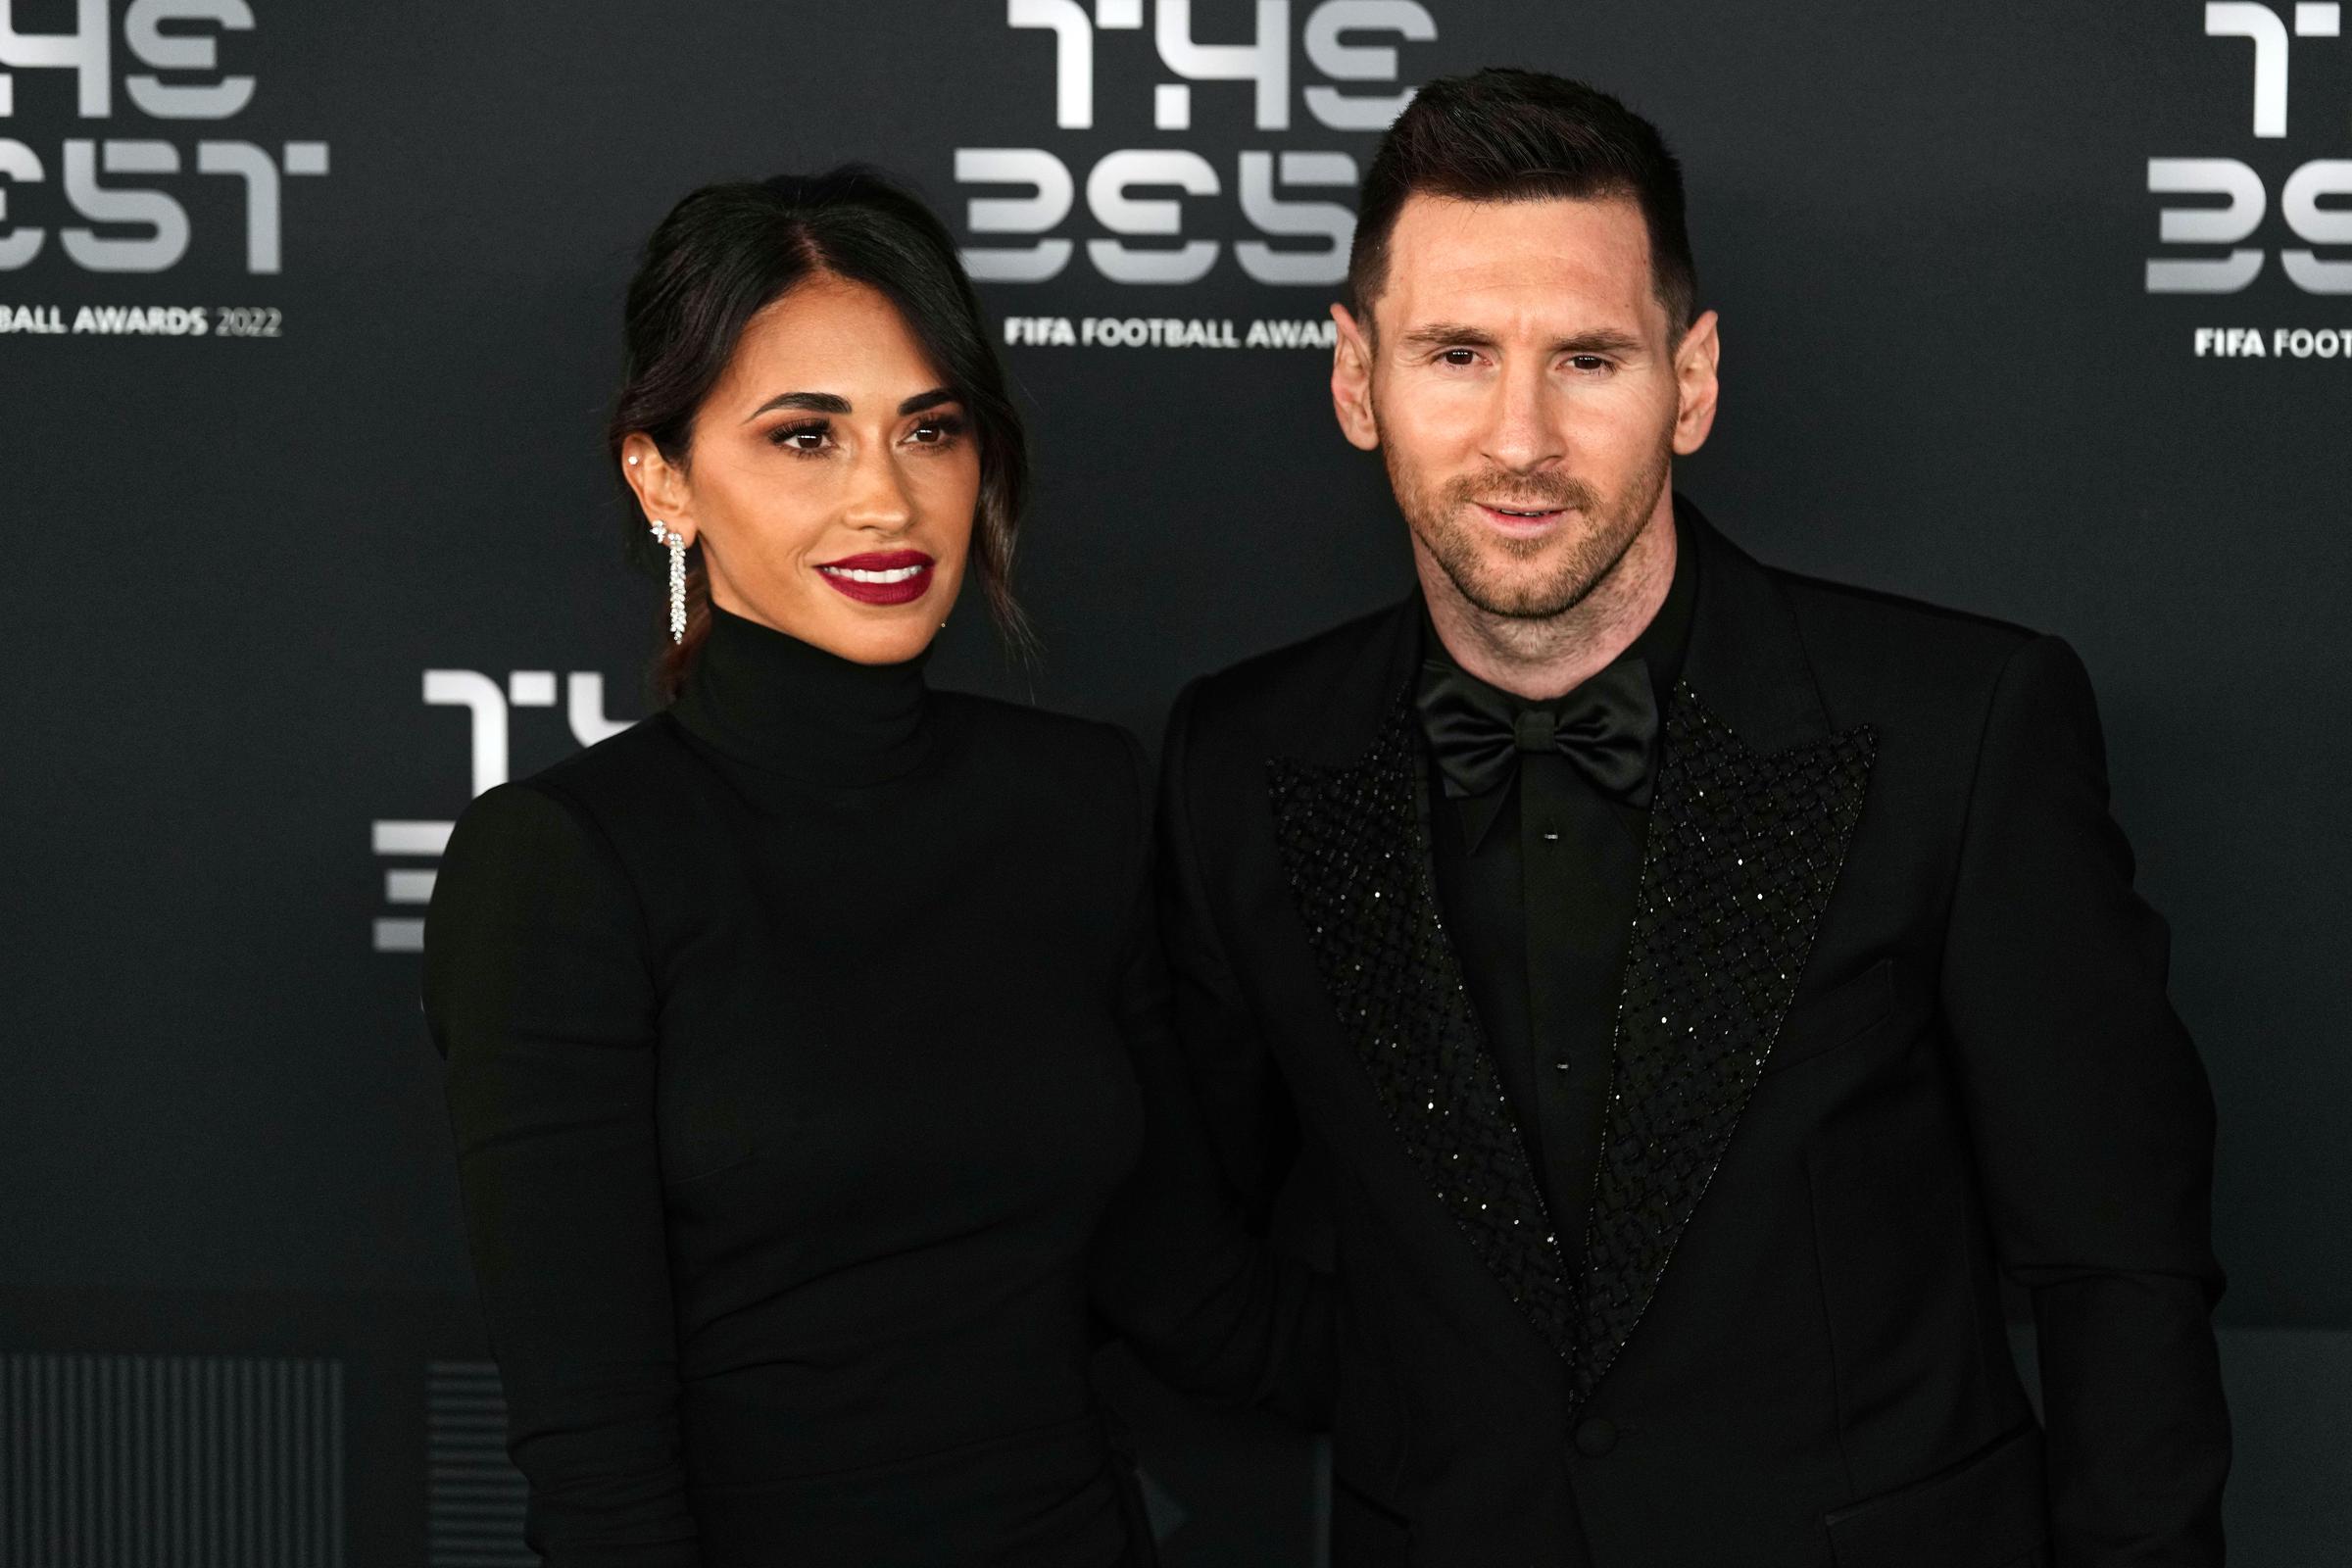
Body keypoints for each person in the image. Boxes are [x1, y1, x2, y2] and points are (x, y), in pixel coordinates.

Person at [1155, 68, 2230, 1565]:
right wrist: (1422, 1415)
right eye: (1456, 353)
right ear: (1356, 379)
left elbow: (2122, 1265)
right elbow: (1177, 1223)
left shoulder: (1961, 728)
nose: (1519, 437)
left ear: (1694, 379)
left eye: (1587, 360)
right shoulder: (1241, 758)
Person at [421, 166, 1324, 1568]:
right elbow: (595, 1462)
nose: (886, 499)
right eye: (805, 438)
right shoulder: (568, 866)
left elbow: (1191, 1291)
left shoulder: (1075, 800)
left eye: (931, 429)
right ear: (663, 478)